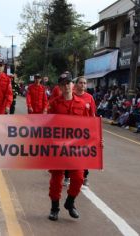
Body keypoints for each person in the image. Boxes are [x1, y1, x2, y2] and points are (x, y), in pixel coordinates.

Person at [47, 73, 88, 221]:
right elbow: (47, 125)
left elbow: (90, 126)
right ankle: (54, 208)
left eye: (68, 83)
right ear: (59, 87)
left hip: (76, 148)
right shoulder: (54, 104)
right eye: (63, 84)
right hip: (58, 147)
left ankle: (70, 203)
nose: (66, 86)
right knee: (56, 179)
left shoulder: (82, 104)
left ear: (73, 85)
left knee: (78, 178)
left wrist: (97, 141)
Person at [67, 76, 96, 187]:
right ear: (76, 84)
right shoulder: (71, 96)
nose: (83, 85)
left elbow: (93, 115)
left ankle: (85, 176)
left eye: (84, 83)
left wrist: (93, 131)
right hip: (71, 131)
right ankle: (67, 175)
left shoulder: (89, 98)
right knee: (69, 154)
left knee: (84, 154)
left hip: (85, 132)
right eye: (80, 83)